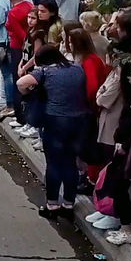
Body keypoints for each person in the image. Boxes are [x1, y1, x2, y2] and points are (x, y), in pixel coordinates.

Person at [18, 46, 88, 217]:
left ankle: (52, 205)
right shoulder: (77, 68)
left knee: (54, 163)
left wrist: (28, 93)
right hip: (78, 120)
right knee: (71, 162)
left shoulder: (45, 71)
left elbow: (21, 83)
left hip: (55, 120)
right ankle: (69, 204)